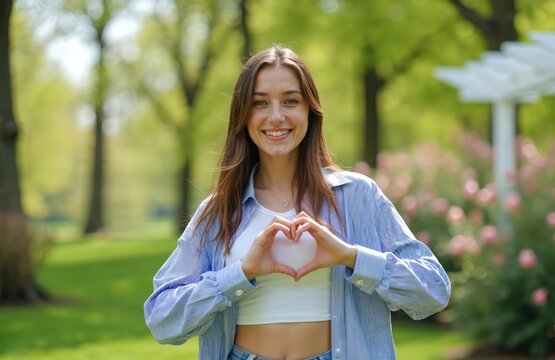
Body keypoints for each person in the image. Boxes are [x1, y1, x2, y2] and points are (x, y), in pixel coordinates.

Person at [144, 45, 451, 360]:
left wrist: (350, 257)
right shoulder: (219, 210)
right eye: (260, 103)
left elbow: (433, 291)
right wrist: (241, 272)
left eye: (290, 101)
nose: (276, 116)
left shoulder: (358, 195)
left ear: (310, 111)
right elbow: (162, 319)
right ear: (243, 115)